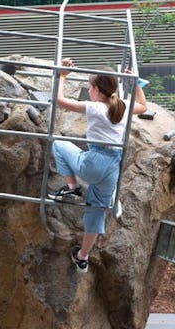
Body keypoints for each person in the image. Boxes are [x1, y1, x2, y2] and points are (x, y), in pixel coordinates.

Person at [48, 58, 147, 273]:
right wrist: (136, 83)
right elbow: (143, 106)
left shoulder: (94, 107)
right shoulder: (121, 105)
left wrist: (62, 76)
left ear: (94, 89)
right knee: (96, 211)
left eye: (89, 86)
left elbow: (59, 100)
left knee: (58, 144)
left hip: (93, 163)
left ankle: (72, 188)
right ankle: (82, 257)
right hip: (113, 167)